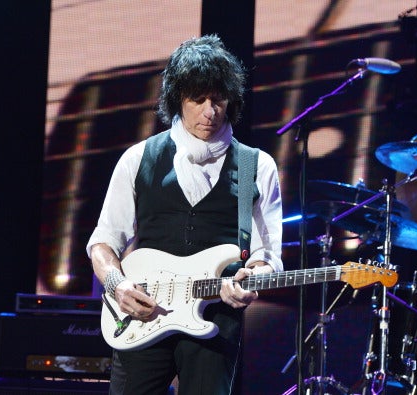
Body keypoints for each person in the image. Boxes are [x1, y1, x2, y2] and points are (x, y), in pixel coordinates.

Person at [87, 34, 283, 395]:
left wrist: (251, 280)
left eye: (219, 99)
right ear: (178, 98)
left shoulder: (257, 166)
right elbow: (102, 242)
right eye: (198, 99)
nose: (211, 111)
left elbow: (267, 255)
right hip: (143, 314)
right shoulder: (138, 158)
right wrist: (118, 285)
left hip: (216, 320)